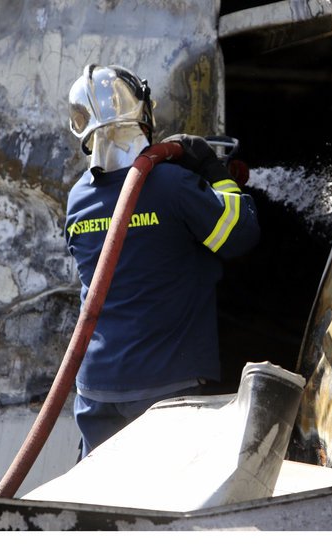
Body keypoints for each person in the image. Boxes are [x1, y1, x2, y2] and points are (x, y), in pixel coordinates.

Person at [65, 64, 260, 459]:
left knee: (100, 493)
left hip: (96, 389)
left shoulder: (78, 199)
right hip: (165, 386)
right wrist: (213, 172)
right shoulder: (172, 186)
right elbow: (240, 233)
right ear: (143, 113)